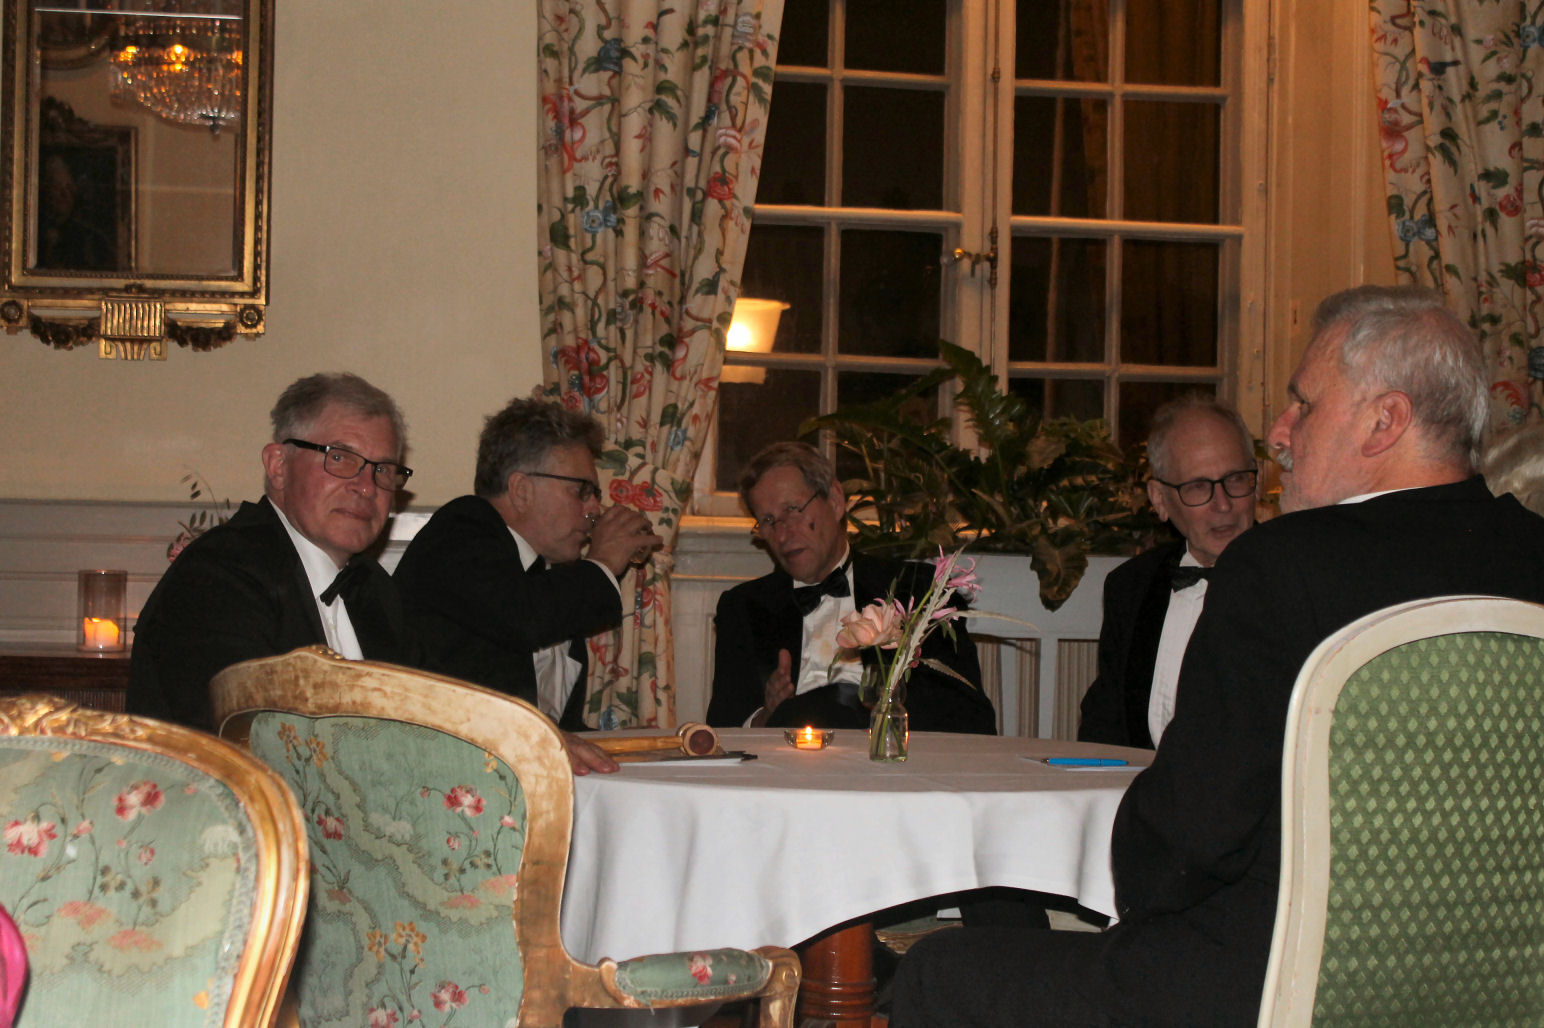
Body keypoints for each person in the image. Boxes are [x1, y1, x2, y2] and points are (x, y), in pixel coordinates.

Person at [891, 285, 1544, 1026]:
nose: (1280, 432)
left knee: (941, 972)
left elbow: (1186, 843)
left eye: (1304, 404)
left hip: (1273, 983)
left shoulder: (1282, 565)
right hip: (1499, 991)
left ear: (1384, 420)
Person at [129, 373, 417, 730]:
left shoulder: (375, 590)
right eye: (341, 458)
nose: (366, 487)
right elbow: (245, 738)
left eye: (383, 470)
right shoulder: (216, 579)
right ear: (278, 466)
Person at [393, 397, 662, 772]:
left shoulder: (548, 583)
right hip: (437, 773)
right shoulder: (463, 528)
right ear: (521, 489)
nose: (594, 509)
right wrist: (602, 562)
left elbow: (556, 728)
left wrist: (638, 747)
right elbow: (523, 617)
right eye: (582, 490)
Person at [707, 441, 995, 734]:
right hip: (786, 757)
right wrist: (767, 715)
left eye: (792, 510)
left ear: (835, 501)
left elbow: (972, 719)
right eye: (768, 521)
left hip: (884, 757)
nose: (782, 534)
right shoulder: (744, 607)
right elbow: (721, 728)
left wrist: (886, 705)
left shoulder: (917, 591)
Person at [1078, 396, 1257, 749]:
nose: (1223, 504)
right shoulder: (1131, 587)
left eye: (1236, 480)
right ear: (1159, 499)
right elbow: (1105, 725)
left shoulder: (1294, 582)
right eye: (1198, 486)